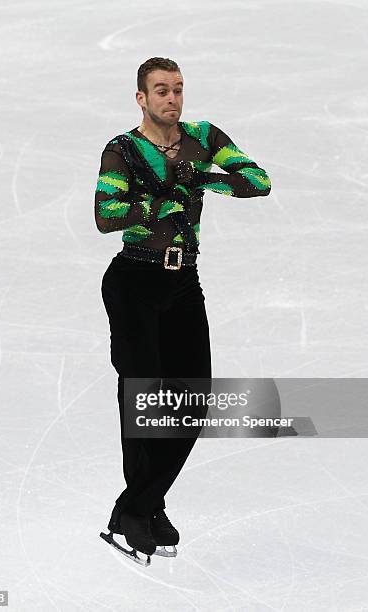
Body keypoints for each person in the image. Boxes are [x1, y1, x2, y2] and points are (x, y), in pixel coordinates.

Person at [96, 57, 271, 566]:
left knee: (193, 404)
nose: (172, 99)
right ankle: (146, 510)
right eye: (161, 91)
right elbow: (106, 216)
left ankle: (135, 507)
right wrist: (159, 204)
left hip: (183, 281)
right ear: (141, 98)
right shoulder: (122, 150)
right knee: (144, 402)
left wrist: (201, 183)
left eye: (177, 90)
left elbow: (257, 181)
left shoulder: (202, 136)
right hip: (135, 281)